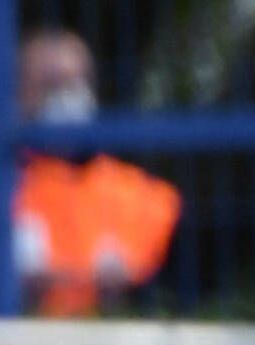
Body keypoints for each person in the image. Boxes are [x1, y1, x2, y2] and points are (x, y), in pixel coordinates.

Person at [10, 27, 180, 320]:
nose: (68, 98)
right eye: (51, 85)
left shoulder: (141, 194)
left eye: (79, 83)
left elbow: (168, 300)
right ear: (18, 95)